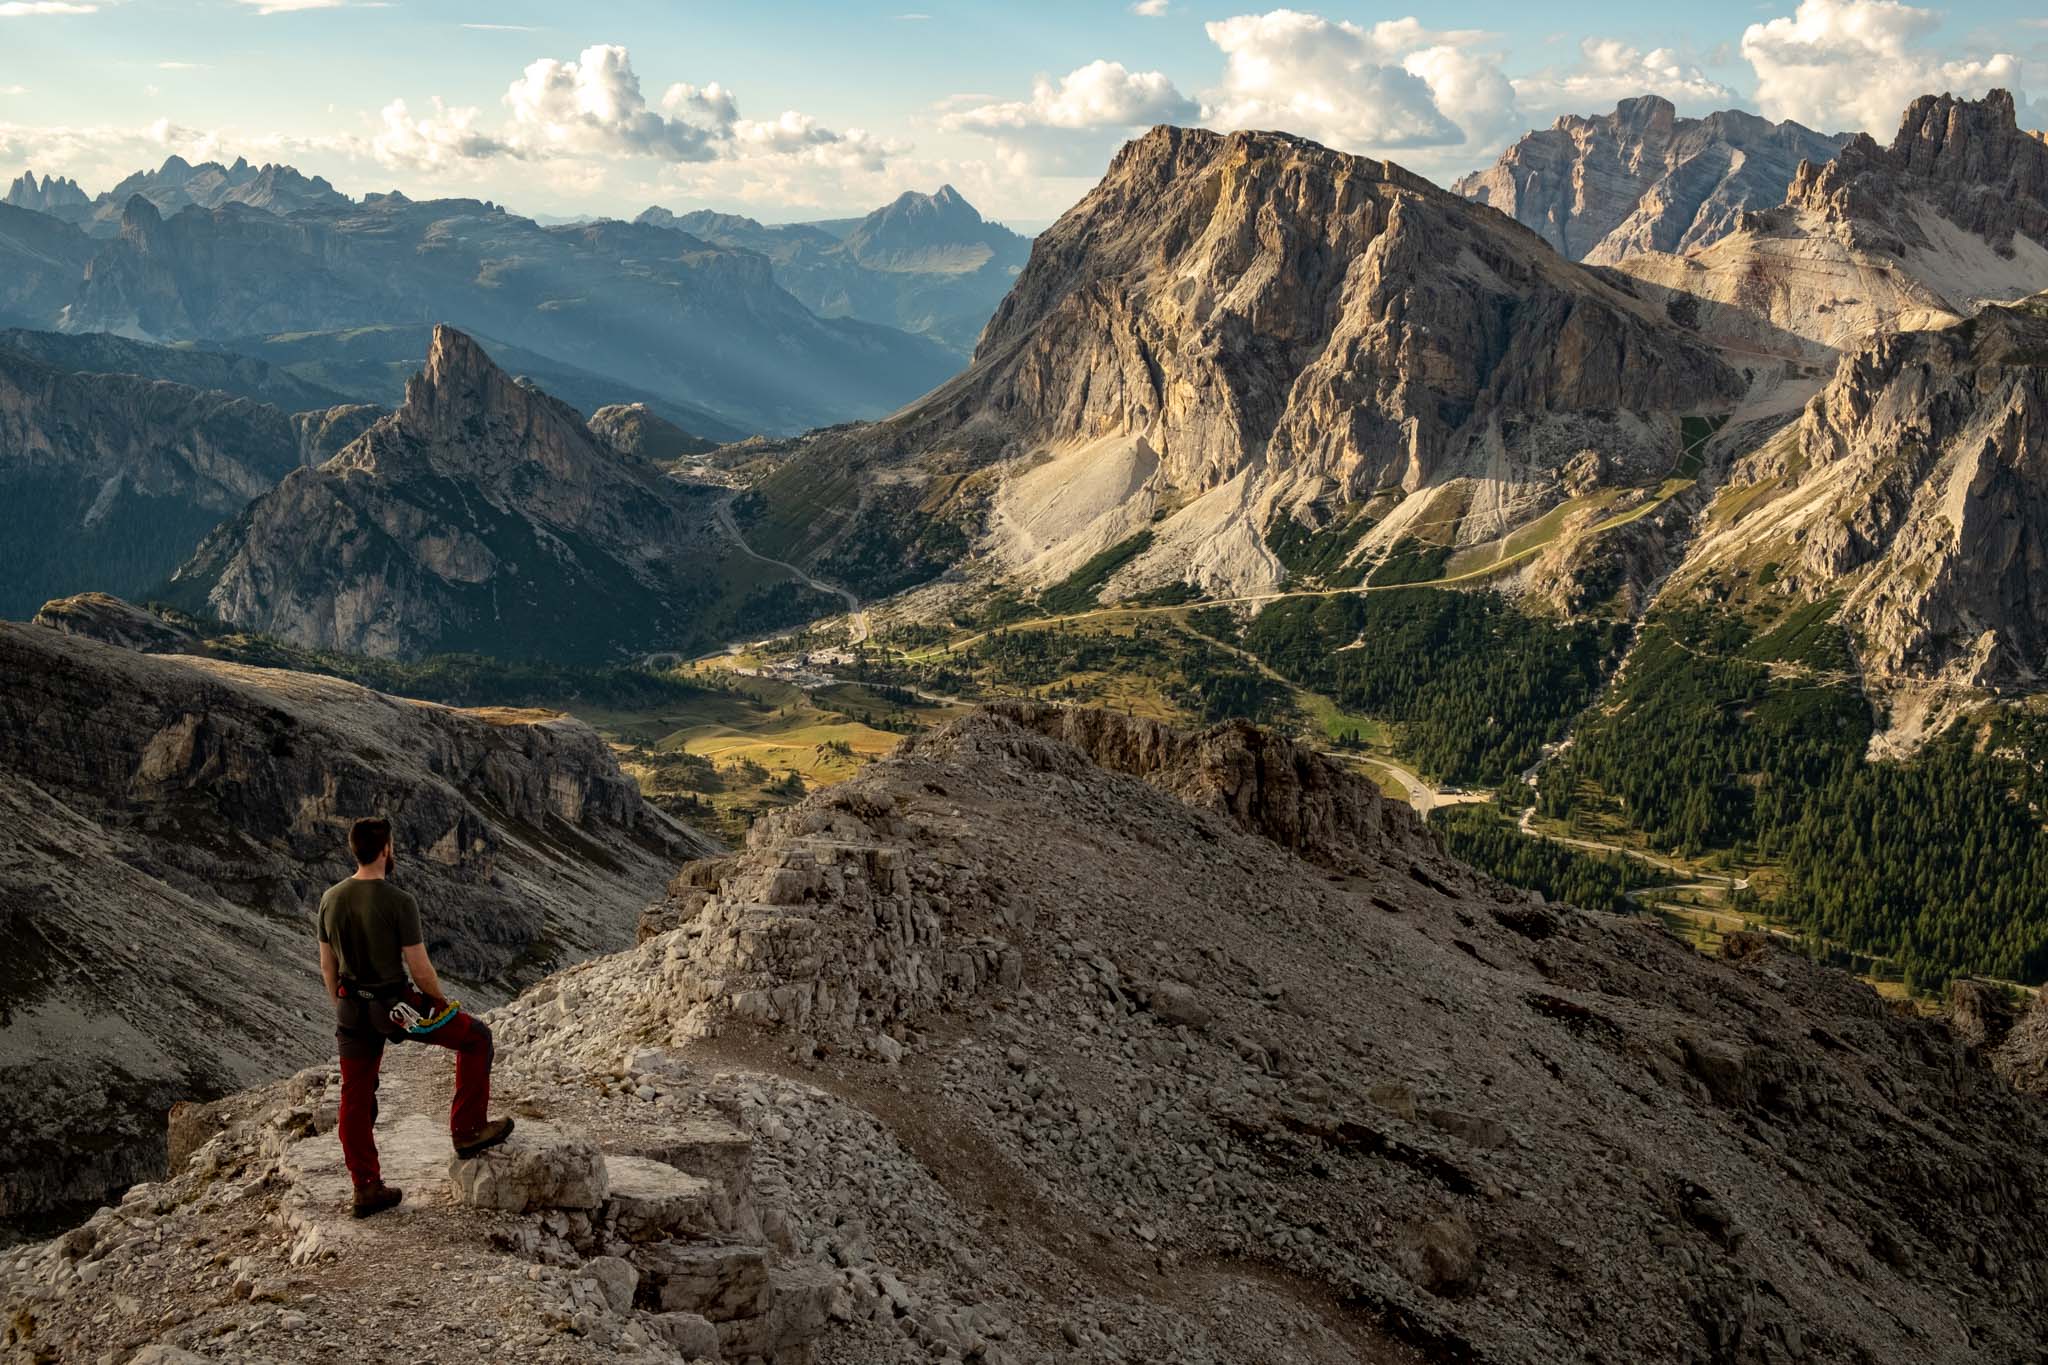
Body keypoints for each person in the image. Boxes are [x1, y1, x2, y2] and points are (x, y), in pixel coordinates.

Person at [317, 816, 513, 1218]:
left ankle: (366, 1187)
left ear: (354, 850)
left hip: (352, 1008)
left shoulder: (330, 898)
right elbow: (420, 969)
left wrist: (342, 1009)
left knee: (355, 1097)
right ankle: (468, 1130)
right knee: (475, 1037)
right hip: (397, 1006)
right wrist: (439, 1002)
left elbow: (327, 966)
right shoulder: (398, 900)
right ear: (386, 850)